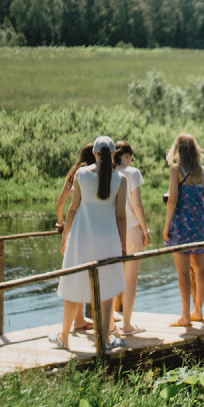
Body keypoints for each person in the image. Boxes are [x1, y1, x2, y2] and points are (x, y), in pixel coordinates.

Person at [50, 135, 128, 351]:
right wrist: (123, 246)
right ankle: (103, 341)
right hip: (109, 240)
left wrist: (65, 236)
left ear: (94, 153)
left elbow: (73, 209)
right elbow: (121, 217)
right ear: (113, 154)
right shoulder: (120, 180)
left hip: (81, 238)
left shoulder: (81, 175)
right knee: (108, 288)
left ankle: (64, 337)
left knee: (73, 285)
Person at [163, 133, 204, 327]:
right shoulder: (202, 171)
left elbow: (173, 199)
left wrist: (167, 224)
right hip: (200, 222)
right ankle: (198, 311)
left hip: (182, 223)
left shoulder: (176, 169)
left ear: (178, 150)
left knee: (183, 273)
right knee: (201, 268)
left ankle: (186, 315)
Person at [113, 140, 151, 334]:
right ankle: (127, 324)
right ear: (126, 155)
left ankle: (110, 322)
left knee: (112, 275)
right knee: (130, 279)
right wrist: (145, 230)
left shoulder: (109, 173)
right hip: (132, 229)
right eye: (131, 156)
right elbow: (137, 204)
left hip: (112, 230)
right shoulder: (132, 173)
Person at [56, 143, 95, 331]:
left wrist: (61, 224)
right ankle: (79, 319)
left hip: (72, 228)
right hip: (86, 227)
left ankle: (78, 318)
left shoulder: (73, 175)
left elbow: (60, 203)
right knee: (84, 273)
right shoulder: (90, 174)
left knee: (76, 272)